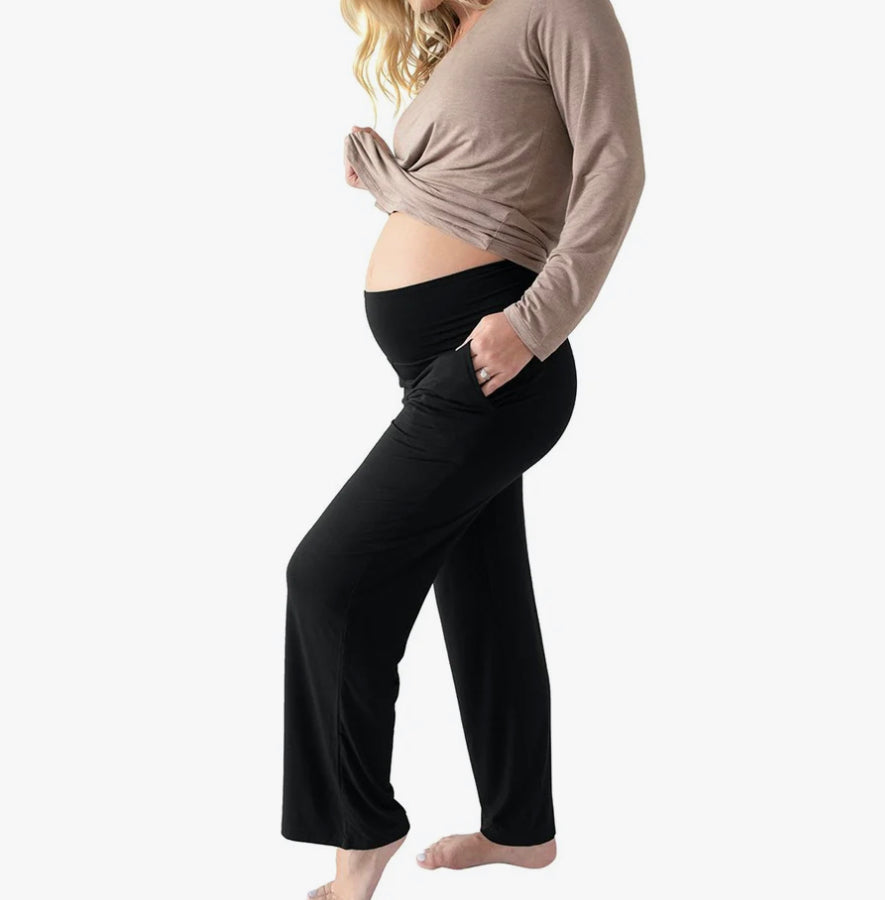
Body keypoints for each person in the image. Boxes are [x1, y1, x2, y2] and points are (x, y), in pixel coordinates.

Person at [282, 0, 645, 897]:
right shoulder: (461, 36)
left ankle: (360, 836)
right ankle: (521, 828)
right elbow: (480, 196)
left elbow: (615, 166)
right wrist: (389, 184)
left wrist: (535, 323)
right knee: (485, 597)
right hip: (441, 368)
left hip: (496, 364)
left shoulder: (555, 7)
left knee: (327, 577)